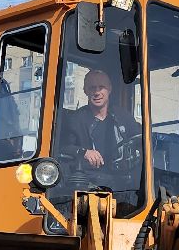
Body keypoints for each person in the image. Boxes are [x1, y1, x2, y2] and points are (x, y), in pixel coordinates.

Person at [55, 67, 142, 210]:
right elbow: (63, 147)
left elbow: (139, 139)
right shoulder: (76, 119)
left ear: (109, 89)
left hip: (124, 184)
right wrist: (84, 152)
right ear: (85, 91)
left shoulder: (122, 116)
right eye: (92, 88)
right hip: (90, 184)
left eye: (101, 87)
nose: (97, 92)